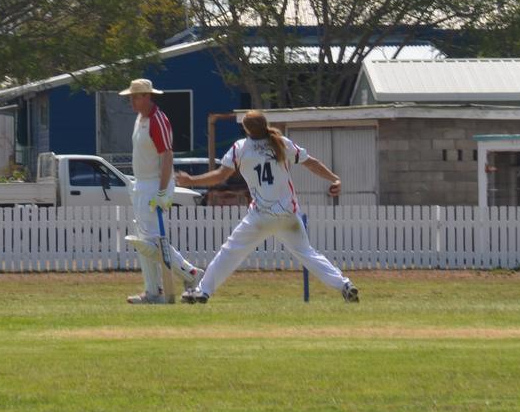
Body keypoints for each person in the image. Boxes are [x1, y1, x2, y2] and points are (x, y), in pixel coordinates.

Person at [174, 110, 360, 305]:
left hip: (260, 216)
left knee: (230, 252)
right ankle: (344, 285)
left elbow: (220, 176)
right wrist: (334, 178)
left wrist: (191, 180)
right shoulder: (282, 143)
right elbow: (311, 163)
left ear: (245, 128)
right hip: (288, 214)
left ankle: (203, 291)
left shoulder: (241, 148)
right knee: (308, 254)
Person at [119, 78, 204, 304]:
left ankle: (190, 274)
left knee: (152, 241)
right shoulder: (140, 119)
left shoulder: (158, 119)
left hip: (155, 183)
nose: (131, 101)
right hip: (141, 183)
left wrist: (162, 190)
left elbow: (167, 155)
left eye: (135, 96)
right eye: (131, 97)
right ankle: (154, 291)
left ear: (147, 96)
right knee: (144, 240)